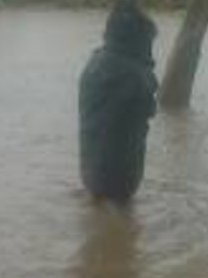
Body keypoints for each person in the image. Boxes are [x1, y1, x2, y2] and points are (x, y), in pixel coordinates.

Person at [78, 0, 158, 203]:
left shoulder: (94, 61)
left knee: (98, 215)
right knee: (124, 219)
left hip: (90, 173)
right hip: (123, 178)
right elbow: (150, 109)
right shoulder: (136, 74)